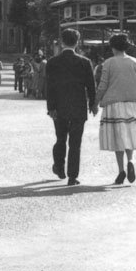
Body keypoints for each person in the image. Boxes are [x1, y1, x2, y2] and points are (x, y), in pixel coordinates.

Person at [96, 32, 136, 184]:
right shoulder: (135, 62)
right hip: (132, 104)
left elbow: (102, 86)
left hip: (113, 104)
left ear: (112, 47)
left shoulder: (108, 63)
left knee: (117, 137)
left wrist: (95, 101)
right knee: (130, 135)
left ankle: (121, 170)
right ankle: (131, 161)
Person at [45, 28, 97, 186]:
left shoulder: (52, 62)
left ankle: (59, 167)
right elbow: (90, 86)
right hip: (78, 106)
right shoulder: (85, 62)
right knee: (75, 142)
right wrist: (92, 103)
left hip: (59, 106)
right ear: (77, 42)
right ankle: (72, 176)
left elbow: (49, 87)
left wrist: (51, 107)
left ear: (61, 42)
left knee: (60, 138)